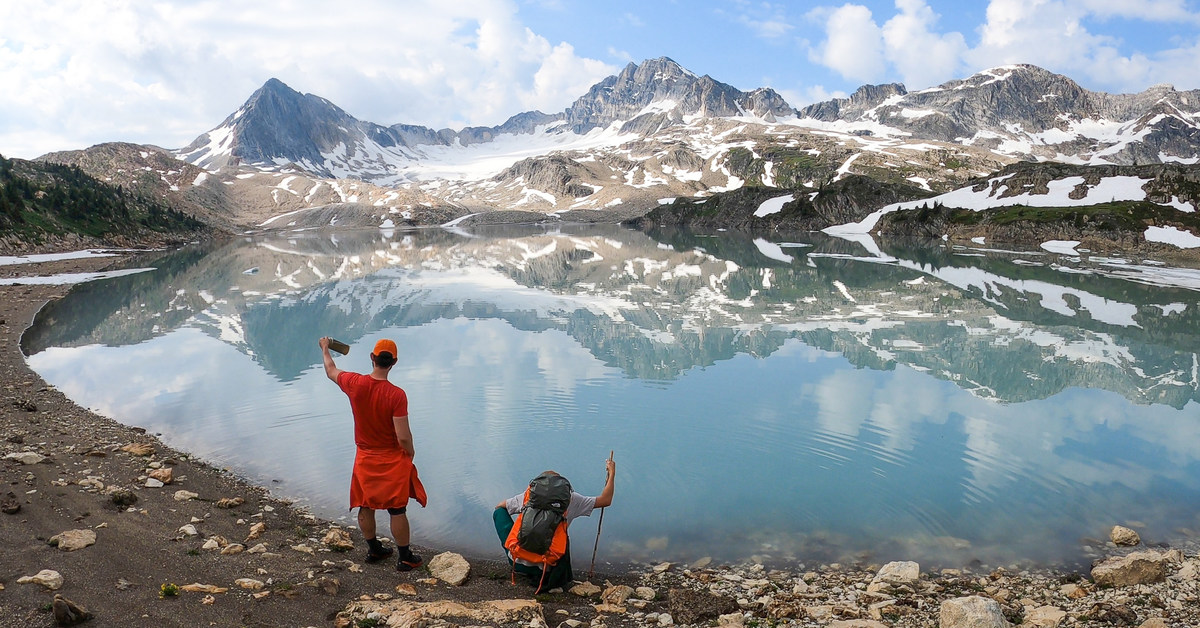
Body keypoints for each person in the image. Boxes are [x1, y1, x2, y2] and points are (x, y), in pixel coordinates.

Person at [320, 336, 426, 571]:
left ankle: (374, 549)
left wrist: (326, 348)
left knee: (364, 505)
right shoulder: (397, 395)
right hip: (391, 458)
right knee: (397, 509)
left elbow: (330, 370)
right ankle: (405, 556)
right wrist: (410, 453)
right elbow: (404, 437)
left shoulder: (355, 383)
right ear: (394, 362)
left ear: (372, 358)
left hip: (365, 457)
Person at [494, 459, 615, 590]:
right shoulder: (572, 499)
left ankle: (518, 553)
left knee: (499, 513)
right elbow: (605, 500)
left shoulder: (528, 496)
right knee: (562, 532)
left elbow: (500, 506)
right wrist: (611, 473)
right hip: (548, 567)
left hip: (516, 561)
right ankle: (555, 574)